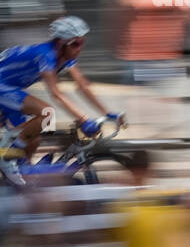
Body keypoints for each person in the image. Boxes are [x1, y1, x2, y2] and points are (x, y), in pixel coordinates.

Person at [0, 17, 124, 186]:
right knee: (46, 113)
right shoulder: (46, 55)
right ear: (60, 43)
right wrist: (83, 120)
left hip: (9, 88)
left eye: (82, 43)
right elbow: (56, 94)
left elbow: (82, 87)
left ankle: (19, 180)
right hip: (3, 86)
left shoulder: (65, 55)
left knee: (32, 139)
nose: (79, 48)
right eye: (75, 44)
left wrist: (108, 113)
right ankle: (7, 155)